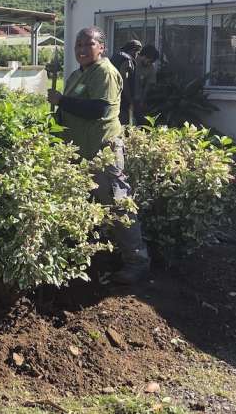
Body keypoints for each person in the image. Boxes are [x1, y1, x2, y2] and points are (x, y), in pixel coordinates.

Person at [47, 26, 150, 285]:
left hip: (102, 152)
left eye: (88, 44)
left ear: (101, 47)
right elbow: (68, 110)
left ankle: (137, 261)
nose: (82, 49)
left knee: (118, 203)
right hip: (79, 152)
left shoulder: (104, 72)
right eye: (78, 45)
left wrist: (61, 102)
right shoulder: (76, 75)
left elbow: (99, 110)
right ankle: (95, 256)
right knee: (88, 206)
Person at [110, 39, 142, 125]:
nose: (137, 56)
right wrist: (130, 100)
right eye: (138, 53)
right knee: (124, 125)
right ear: (133, 50)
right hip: (122, 99)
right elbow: (124, 80)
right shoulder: (127, 60)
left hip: (112, 96)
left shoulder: (114, 57)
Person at [134, 44, 160, 123]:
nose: (150, 63)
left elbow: (148, 86)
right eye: (150, 60)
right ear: (144, 55)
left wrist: (142, 101)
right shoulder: (132, 61)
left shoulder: (151, 68)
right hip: (125, 97)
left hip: (138, 99)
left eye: (152, 62)